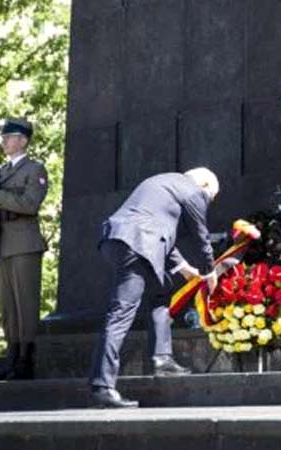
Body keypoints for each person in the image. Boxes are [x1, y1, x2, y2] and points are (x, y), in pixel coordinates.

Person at [89, 168, 228, 408]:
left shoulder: (164, 183)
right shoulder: (193, 191)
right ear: (204, 185)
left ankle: (162, 358)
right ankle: (102, 386)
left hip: (119, 240)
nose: (207, 202)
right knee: (121, 314)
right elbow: (200, 234)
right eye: (210, 198)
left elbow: (156, 229)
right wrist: (209, 272)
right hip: (137, 244)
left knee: (161, 291)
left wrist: (184, 267)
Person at [0, 118, 48, 381]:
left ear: (23, 140)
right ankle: (11, 356)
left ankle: (26, 359)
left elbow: (30, 204)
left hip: (24, 242)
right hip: (2, 243)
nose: (4, 141)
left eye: (8, 137)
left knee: (25, 303)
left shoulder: (35, 169)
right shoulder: (1, 171)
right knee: (8, 306)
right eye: (4, 137)